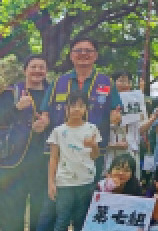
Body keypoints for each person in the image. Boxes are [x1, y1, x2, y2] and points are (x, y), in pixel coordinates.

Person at [42, 37, 121, 180]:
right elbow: (45, 113)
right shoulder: (58, 82)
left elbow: (114, 111)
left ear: (95, 55)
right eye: (78, 50)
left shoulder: (107, 82)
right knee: (60, 190)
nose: (83, 53)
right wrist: (42, 121)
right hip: (62, 151)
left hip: (93, 150)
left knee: (90, 190)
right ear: (71, 55)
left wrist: (115, 117)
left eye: (88, 51)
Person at [0, 55, 51, 231]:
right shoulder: (11, 92)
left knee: (40, 209)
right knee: (11, 210)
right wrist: (17, 108)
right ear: (25, 70)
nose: (37, 70)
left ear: (46, 71)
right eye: (33, 67)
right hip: (13, 160)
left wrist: (47, 123)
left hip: (43, 160)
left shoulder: (53, 94)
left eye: (41, 67)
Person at [46, 90, 101, 231]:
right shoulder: (58, 131)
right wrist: (51, 182)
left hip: (85, 181)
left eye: (81, 106)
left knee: (81, 221)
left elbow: (95, 156)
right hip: (64, 182)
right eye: (73, 105)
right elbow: (53, 158)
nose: (77, 109)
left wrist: (93, 145)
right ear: (66, 108)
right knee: (62, 220)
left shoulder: (92, 129)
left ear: (86, 109)